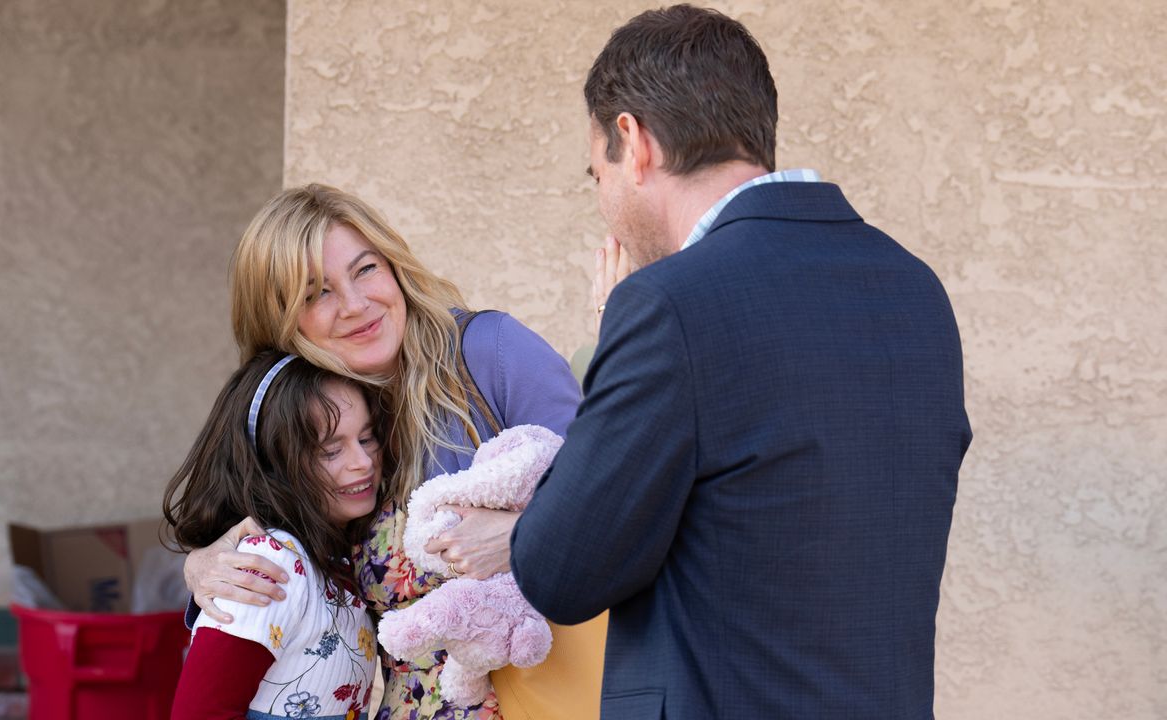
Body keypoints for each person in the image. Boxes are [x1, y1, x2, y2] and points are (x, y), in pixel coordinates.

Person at [510, 5, 973, 719]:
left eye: (595, 171)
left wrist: (609, 343)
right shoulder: (916, 291)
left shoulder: (668, 306)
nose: (603, 199)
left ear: (633, 142)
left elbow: (561, 571)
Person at [182, 184, 607, 719]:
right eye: (317, 293)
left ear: (394, 265)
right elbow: (275, 546)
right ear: (281, 322)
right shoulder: (311, 430)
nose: (356, 305)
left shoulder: (490, 353)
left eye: (365, 269)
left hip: (556, 695)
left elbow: (611, 493)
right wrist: (203, 567)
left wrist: (522, 537)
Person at [165, 350, 384, 719]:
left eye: (366, 438)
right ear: (273, 465)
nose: (361, 463)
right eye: (331, 450)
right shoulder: (268, 564)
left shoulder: (339, 556)